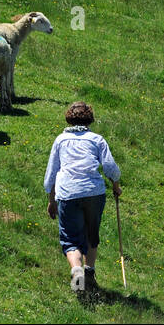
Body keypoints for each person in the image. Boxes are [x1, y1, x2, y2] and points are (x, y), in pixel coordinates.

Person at [44, 101, 122, 295]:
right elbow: (110, 167)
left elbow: (52, 173)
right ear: (90, 118)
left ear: (69, 117)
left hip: (68, 193)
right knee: (91, 233)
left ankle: (77, 273)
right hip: (94, 192)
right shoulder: (97, 139)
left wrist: (51, 199)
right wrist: (116, 186)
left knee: (71, 239)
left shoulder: (61, 140)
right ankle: (89, 272)